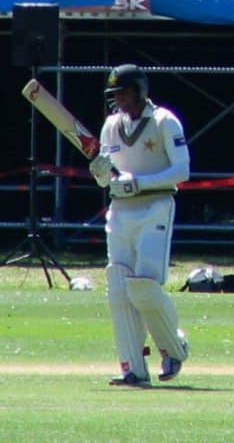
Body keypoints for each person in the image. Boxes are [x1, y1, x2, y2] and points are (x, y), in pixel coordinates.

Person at [88, 63, 190, 387]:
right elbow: (107, 177)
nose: (119, 99)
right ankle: (133, 368)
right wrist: (100, 172)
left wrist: (140, 184)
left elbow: (182, 170)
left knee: (143, 285)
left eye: (124, 92)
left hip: (155, 207)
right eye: (115, 94)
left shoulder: (164, 121)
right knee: (118, 284)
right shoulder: (110, 126)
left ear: (140, 91)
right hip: (119, 211)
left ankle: (174, 348)